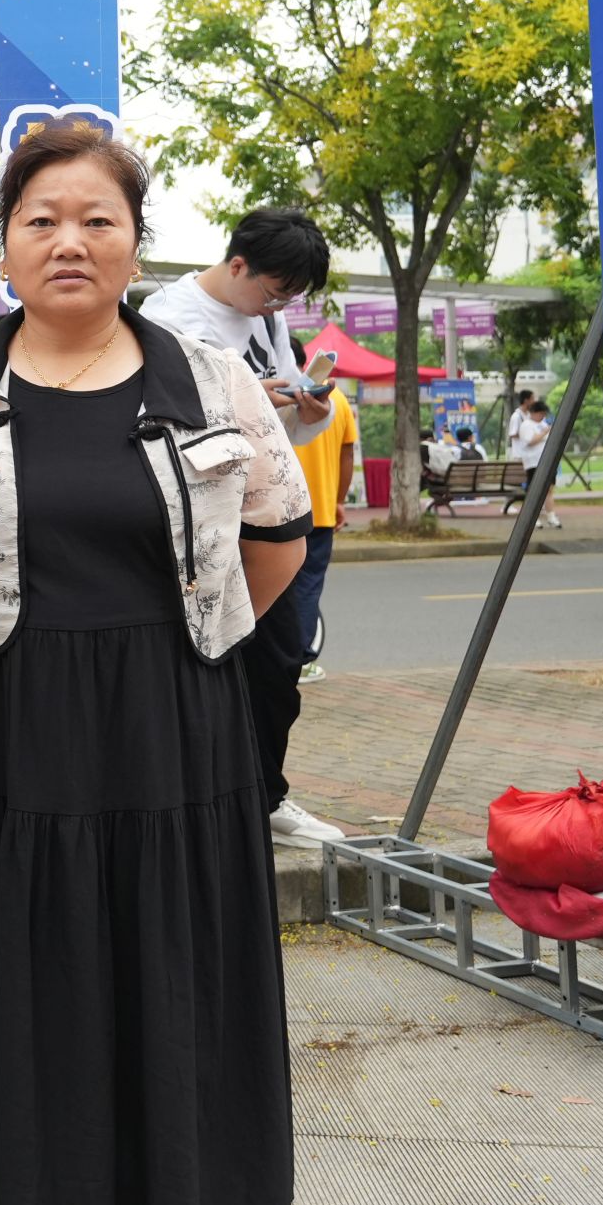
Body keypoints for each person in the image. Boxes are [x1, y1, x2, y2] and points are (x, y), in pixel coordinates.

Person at [0, 121, 310, 1205]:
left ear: (134, 244)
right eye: (41, 220)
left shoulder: (213, 380)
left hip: (173, 725)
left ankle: (178, 1204)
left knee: (170, 968)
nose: (68, 241)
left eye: (96, 220)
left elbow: (277, 539)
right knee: (18, 969)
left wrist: (185, 641)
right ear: (6, 248)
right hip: (1, 725)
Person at [140, 206, 343, 847]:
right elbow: (163, 426)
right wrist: (251, 400)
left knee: (278, 661)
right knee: (197, 666)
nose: (277, 308)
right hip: (196, 523)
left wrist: (305, 409)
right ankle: (195, 801)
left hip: (263, 519)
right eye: (275, 292)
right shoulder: (168, 317)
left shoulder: (268, 319)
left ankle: (265, 797)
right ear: (237, 265)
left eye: (289, 299)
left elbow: (279, 433)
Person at [287, 363, 358, 684]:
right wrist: (339, 500)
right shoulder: (336, 400)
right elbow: (347, 454)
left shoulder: (280, 395)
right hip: (320, 512)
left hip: (280, 510)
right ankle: (300, 660)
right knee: (307, 587)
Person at [519, 398, 561, 528]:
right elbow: (530, 441)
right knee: (534, 491)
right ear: (533, 412)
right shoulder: (527, 425)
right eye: (541, 413)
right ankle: (532, 518)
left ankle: (551, 516)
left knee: (549, 490)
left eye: (544, 414)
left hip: (548, 462)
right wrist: (545, 432)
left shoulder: (543, 424)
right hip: (534, 463)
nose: (543, 416)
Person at [506, 388, 537, 457]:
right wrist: (527, 434)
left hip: (529, 455)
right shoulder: (516, 416)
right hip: (519, 455)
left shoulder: (529, 415)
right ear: (526, 400)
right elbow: (513, 434)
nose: (534, 401)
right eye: (532, 399)